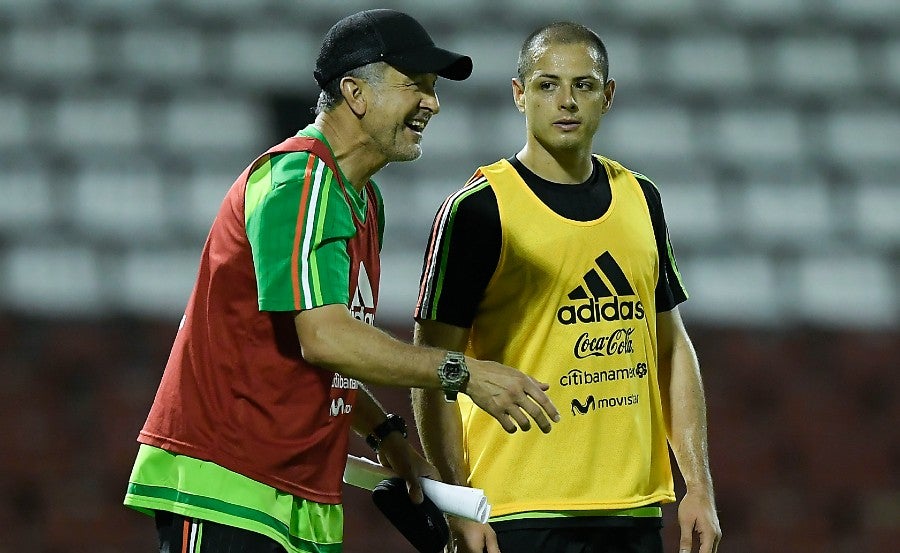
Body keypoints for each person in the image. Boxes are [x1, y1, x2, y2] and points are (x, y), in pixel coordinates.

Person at [123, 9, 560, 553]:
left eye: (433, 88)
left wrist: (388, 437)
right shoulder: (299, 180)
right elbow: (324, 336)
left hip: (298, 496)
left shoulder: (362, 199)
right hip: (228, 484)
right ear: (355, 92)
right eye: (415, 85)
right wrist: (461, 372)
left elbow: (320, 356)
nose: (433, 102)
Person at [412, 21, 722, 553]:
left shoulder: (641, 198)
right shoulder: (479, 210)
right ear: (519, 95)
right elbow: (430, 366)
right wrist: (456, 503)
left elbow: (670, 345)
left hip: (633, 508)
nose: (567, 101)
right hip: (515, 512)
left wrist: (698, 484)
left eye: (584, 84)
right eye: (547, 84)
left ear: (609, 96)